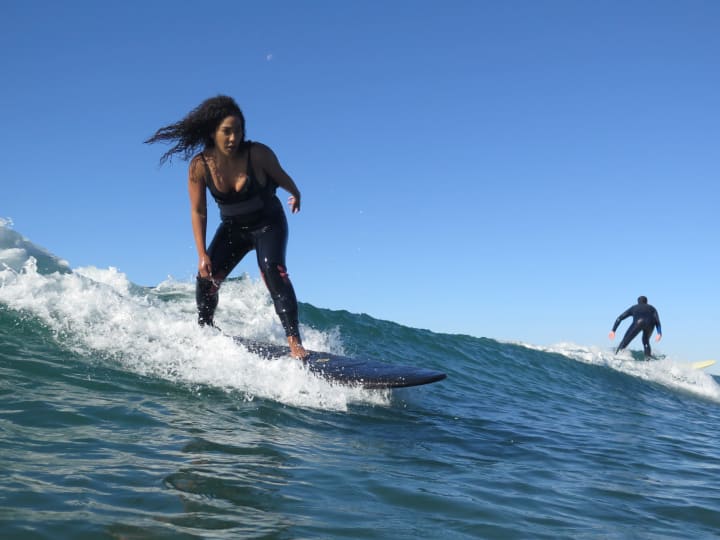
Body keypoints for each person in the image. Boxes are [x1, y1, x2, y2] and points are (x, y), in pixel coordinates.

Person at [145, 95, 307, 358]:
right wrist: (202, 254)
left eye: (238, 131)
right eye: (227, 132)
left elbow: (283, 176)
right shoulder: (200, 166)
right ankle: (205, 330)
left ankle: (294, 342)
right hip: (234, 228)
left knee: (272, 270)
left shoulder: (258, 154)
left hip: (268, 224)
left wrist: (296, 193)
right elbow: (198, 210)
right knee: (206, 279)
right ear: (213, 132)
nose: (234, 138)